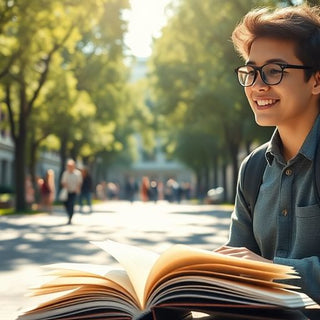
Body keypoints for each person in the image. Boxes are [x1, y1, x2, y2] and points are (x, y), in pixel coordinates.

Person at [215, 4, 320, 313]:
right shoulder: (254, 168)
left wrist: (269, 271)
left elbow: (255, 267)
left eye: (274, 71)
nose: (258, 85)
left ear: (316, 80)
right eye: (250, 72)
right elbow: (238, 260)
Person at [60, 159, 82, 224]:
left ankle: (70, 216)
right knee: (65, 204)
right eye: (68, 166)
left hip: (74, 191)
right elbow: (63, 182)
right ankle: (69, 213)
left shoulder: (77, 173)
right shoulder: (65, 173)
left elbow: (79, 182)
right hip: (67, 191)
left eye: (71, 166)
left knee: (71, 204)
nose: (69, 167)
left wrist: (77, 189)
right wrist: (65, 187)